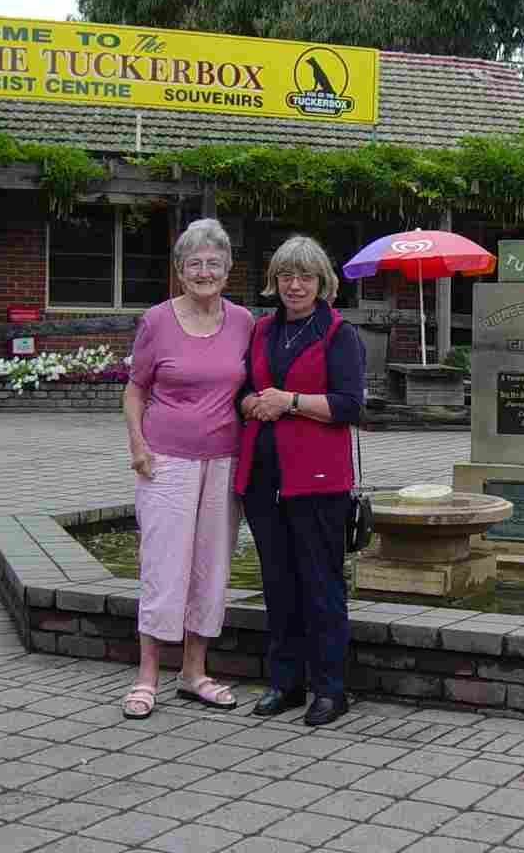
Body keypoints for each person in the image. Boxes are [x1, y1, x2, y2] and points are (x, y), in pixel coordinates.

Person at [120, 218, 255, 720]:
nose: (204, 271)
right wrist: (137, 444)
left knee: (210, 566)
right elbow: (135, 389)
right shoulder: (157, 320)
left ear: (227, 270)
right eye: (194, 263)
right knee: (162, 566)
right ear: (179, 270)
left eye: (214, 263)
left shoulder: (243, 321)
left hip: (224, 460)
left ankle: (194, 672)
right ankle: (147, 675)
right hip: (166, 461)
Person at [234, 235, 365, 727]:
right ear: (275, 280)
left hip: (318, 482)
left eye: (304, 276)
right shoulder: (262, 331)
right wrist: (254, 403)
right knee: (278, 584)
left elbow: (349, 405)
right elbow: (244, 392)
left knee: (321, 585)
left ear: (321, 283)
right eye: (286, 275)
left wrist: (288, 401)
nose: (294, 285)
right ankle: (285, 683)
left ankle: (331, 689)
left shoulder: (338, 333)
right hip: (264, 479)